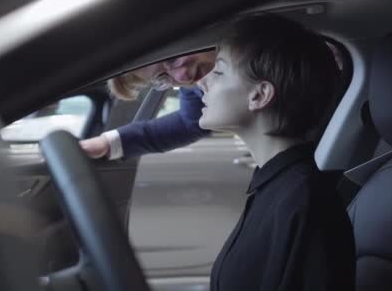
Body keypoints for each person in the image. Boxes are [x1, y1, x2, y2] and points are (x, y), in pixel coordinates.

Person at [196, 15, 354, 291]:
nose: (202, 82)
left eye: (219, 72)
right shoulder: (275, 185)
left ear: (259, 95)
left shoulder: (304, 201)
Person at [80, 51, 215, 159]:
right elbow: (189, 124)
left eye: (172, 59)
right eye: (162, 77)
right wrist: (107, 143)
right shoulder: (195, 86)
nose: (182, 77)